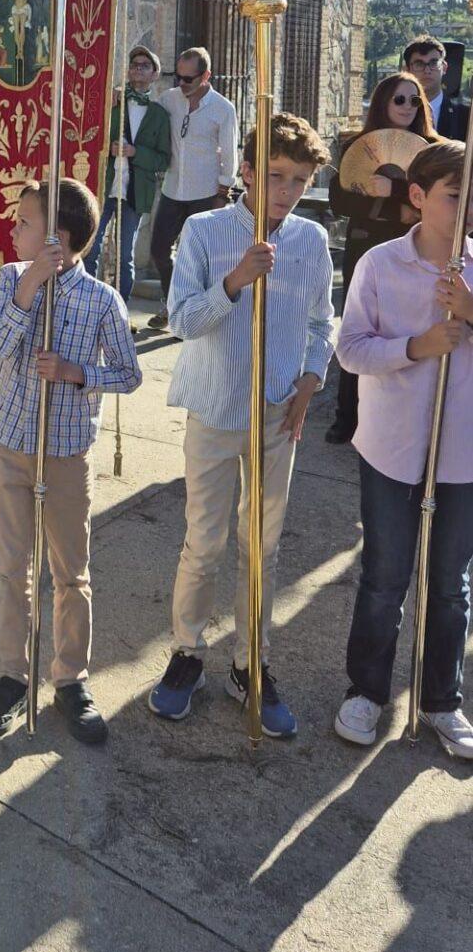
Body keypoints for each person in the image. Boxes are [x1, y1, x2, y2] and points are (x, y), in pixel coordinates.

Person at [148, 113, 334, 738]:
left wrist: (311, 380)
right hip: (215, 406)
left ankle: (250, 660)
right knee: (204, 541)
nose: (286, 191)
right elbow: (181, 319)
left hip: (279, 411)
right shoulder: (204, 230)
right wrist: (234, 282)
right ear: (248, 171)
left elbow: (321, 322)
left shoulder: (310, 240)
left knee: (263, 544)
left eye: (299, 180)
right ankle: (187, 652)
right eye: (276, 176)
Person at [0, 178, 141, 743]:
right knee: (12, 568)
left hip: (66, 454)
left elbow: (129, 373)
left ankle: (70, 678)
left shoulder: (102, 300)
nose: (12, 228)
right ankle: (12, 676)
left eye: (24, 222)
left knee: (70, 570)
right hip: (13, 446)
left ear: (57, 238)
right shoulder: (9, 280)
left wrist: (77, 373)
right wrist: (30, 286)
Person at [333, 141, 473, 759]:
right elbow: (350, 350)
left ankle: (442, 699)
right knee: (385, 578)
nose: (467, 209)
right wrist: (418, 346)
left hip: (463, 455)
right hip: (391, 448)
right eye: (455, 195)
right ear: (417, 196)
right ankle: (367, 690)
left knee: (449, 585)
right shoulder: (381, 264)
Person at [326, 71, 437, 445]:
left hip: (415, 251)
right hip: (367, 248)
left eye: (414, 100)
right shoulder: (357, 146)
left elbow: (440, 198)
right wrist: (396, 208)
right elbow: (340, 200)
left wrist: (396, 189)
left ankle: (401, 418)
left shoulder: (434, 151)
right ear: (382, 103)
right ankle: (347, 417)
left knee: (406, 332)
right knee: (359, 331)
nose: (407, 106)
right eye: (399, 99)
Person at [148, 46, 239, 333]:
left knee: (199, 258)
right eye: (178, 77)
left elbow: (230, 155)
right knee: (159, 250)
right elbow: (146, 117)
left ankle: (193, 317)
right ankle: (172, 303)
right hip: (172, 189)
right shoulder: (169, 99)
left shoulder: (223, 109)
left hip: (205, 193)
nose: (182, 83)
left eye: (188, 78)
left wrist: (222, 194)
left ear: (205, 76)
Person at [86, 45, 171, 315]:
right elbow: (91, 134)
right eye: (135, 64)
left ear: (155, 74)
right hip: (104, 187)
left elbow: (163, 160)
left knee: (124, 256)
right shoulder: (112, 103)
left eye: (145, 65)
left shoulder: (159, 115)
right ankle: (88, 306)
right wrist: (107, 148)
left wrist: (136, 153)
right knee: (90, 248)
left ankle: (119, 312)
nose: (138, 68)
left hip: (135, 192)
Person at [401, 34, 469, 139]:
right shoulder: (396, 114)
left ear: (444, 67)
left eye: (433, 63)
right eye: (419, 64)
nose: (427, 71)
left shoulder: (466, 117)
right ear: (407, 70)